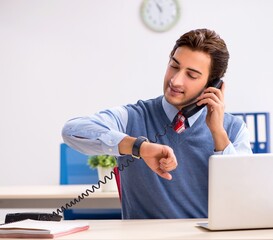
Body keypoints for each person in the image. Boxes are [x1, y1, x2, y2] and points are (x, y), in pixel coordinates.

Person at [62, 28, 252, 219]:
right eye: (174, 66)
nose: (176, 81)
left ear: (212, 86)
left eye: (191, 75)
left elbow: (243, 201)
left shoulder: (234, 130)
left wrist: (218, 133)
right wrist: (138, 147)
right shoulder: (133, 116)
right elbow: (72, 130)